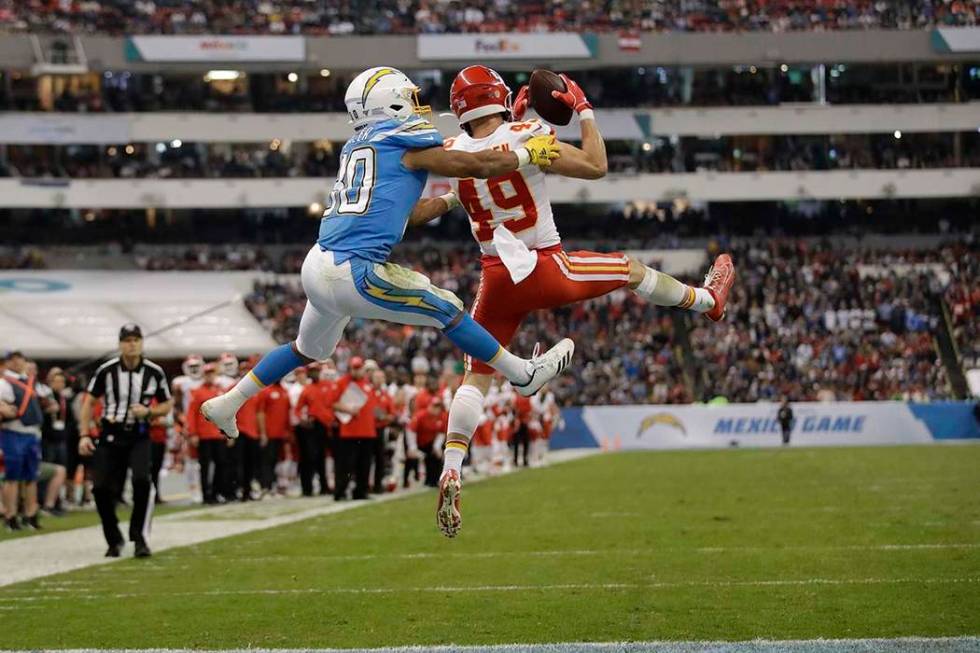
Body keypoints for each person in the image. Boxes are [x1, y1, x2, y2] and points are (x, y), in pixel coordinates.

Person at [413, 65, 737, 537]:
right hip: (544, 266)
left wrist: (456, 190)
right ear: (499, 99)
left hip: (494, 276)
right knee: (629, 269)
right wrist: (584, 109)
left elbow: (466, 181)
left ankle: (453, 465)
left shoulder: (450, 150)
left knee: (476, 376)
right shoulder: (527, 134)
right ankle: (706, 300)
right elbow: (595, 165)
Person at [200, 66, 575, 452]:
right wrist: (524, 151)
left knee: (307, 349)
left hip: (318, 261)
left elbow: (408, 204)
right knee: (445, 307)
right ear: (390, 102)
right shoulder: (403, 138)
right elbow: (474, 165)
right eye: (409, 97)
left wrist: (450, 199)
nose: (417, 106)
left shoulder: (358, 145)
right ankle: (521, 373)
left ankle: (229, 401)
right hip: (352, 270)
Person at [78, 324, 172, 557]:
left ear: (142, 343)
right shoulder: (106, 370)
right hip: (110, 434)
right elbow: (89, 402)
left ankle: (139, 537)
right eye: (127, 340)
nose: (132, 344)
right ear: (120, 344)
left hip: (139, 434)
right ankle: (114, 538)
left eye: (135, 340)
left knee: (142, 481)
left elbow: (167, 404)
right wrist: (84, 435)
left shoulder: (154, 371)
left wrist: (149, 412)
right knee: (100, 488)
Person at [1, 351, 45, 531]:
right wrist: (6, 410)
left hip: (31, 433)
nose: (18, 362)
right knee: (12, 477)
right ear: (8, 362)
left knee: (31, 476)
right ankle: (10, 515)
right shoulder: (4, 383)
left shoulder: (30, 382)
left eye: (20, 358)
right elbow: (4, 407)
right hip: (13, 432)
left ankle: (30, 513)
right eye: (14, 359)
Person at [331, 357, 376, 501]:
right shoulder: (342, 383)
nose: (356, 371)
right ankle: (340, 491)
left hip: (367, 431)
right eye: (354, 368)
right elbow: (333, 403)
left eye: (359, 368)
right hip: (349, 432)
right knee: (345, 464)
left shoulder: (367, 384)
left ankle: (361, 491)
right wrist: (349, 410)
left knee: (364, 464)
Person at [185, 364, 228, 504]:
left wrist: (228, 431)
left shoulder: (220, 390)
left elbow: (227, 412)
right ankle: (206, 495)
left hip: (219, 434)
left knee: (221, 464)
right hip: (204, 435)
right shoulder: (197, 392)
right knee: (205, 466)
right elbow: (191, 414)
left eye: (212, 373)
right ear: (204, 375)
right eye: (207, 373)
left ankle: (216, 492)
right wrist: (193, 433)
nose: (210, 376)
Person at [256, 378, 292, 497]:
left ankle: (273, 486)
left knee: (276, 461)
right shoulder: (265, 391)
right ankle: (265, 487)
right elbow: (260, 413)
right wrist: (263, 433)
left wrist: (288, 431)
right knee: (267, 461)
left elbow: (287, 413)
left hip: (280, 434)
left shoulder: (284, 391)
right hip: (269, 434)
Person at [406, 397, 449, 488]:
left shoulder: (441, 417)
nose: (436, 409)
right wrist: (412, 447)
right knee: (415, 458)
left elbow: (441, 433)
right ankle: (407, 481)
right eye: (434, 406)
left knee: (436, 457)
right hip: (418, 442)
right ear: (429, 406)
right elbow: (411, 430)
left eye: (438, 407)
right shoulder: (420, 416)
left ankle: (434, 480)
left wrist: (437, 447)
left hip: (431, 443)